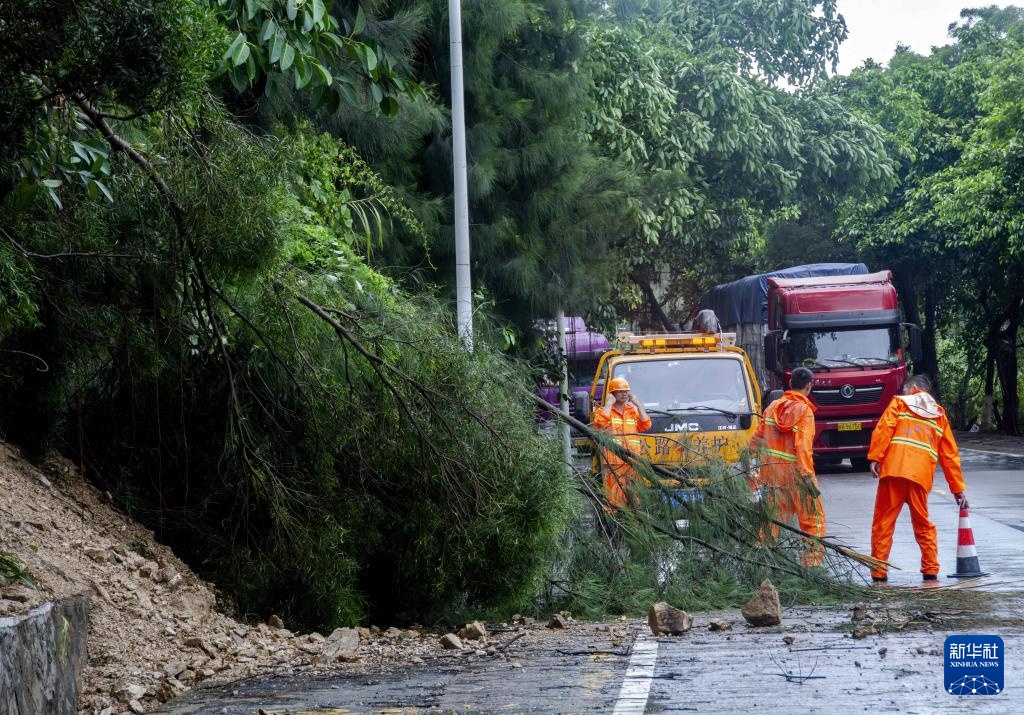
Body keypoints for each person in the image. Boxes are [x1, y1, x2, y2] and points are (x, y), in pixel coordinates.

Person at [867, 374, 967, 583]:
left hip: (894, 472)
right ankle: (930, 570)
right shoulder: (939, 414)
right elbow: (950, 456)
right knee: (923, 524)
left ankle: (879, 572)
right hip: (920, 477)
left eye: (904, 389)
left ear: (913, 387)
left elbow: (884, 429)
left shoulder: (900, 403)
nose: (903, 393)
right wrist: (957, 489)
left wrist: (875, 457)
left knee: (884, 523)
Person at [750, 366, 825, 566]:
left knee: (772, 522)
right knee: (812, 522)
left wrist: (749, 467)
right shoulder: (805, 411)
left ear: (790, 385)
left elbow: (756, 440)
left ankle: (762, 563)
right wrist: (808, 479)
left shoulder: (773, 407)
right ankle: (812, 566)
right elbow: (803, 449)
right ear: (809, 386)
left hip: (772, 475)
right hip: (797, 476)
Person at [592, 376, 652, 510]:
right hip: (614, 461)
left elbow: (646, 425)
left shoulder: (632, 411)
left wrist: (638, 405)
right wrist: (608, 404)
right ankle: (616, 524)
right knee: (614, 497)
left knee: (634, 496)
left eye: (626, 391)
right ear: (612, 394)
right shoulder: (604, 411)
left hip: (632, 460)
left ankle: (635, 522)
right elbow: (599, 424)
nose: (624, 393)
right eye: (620, 391)